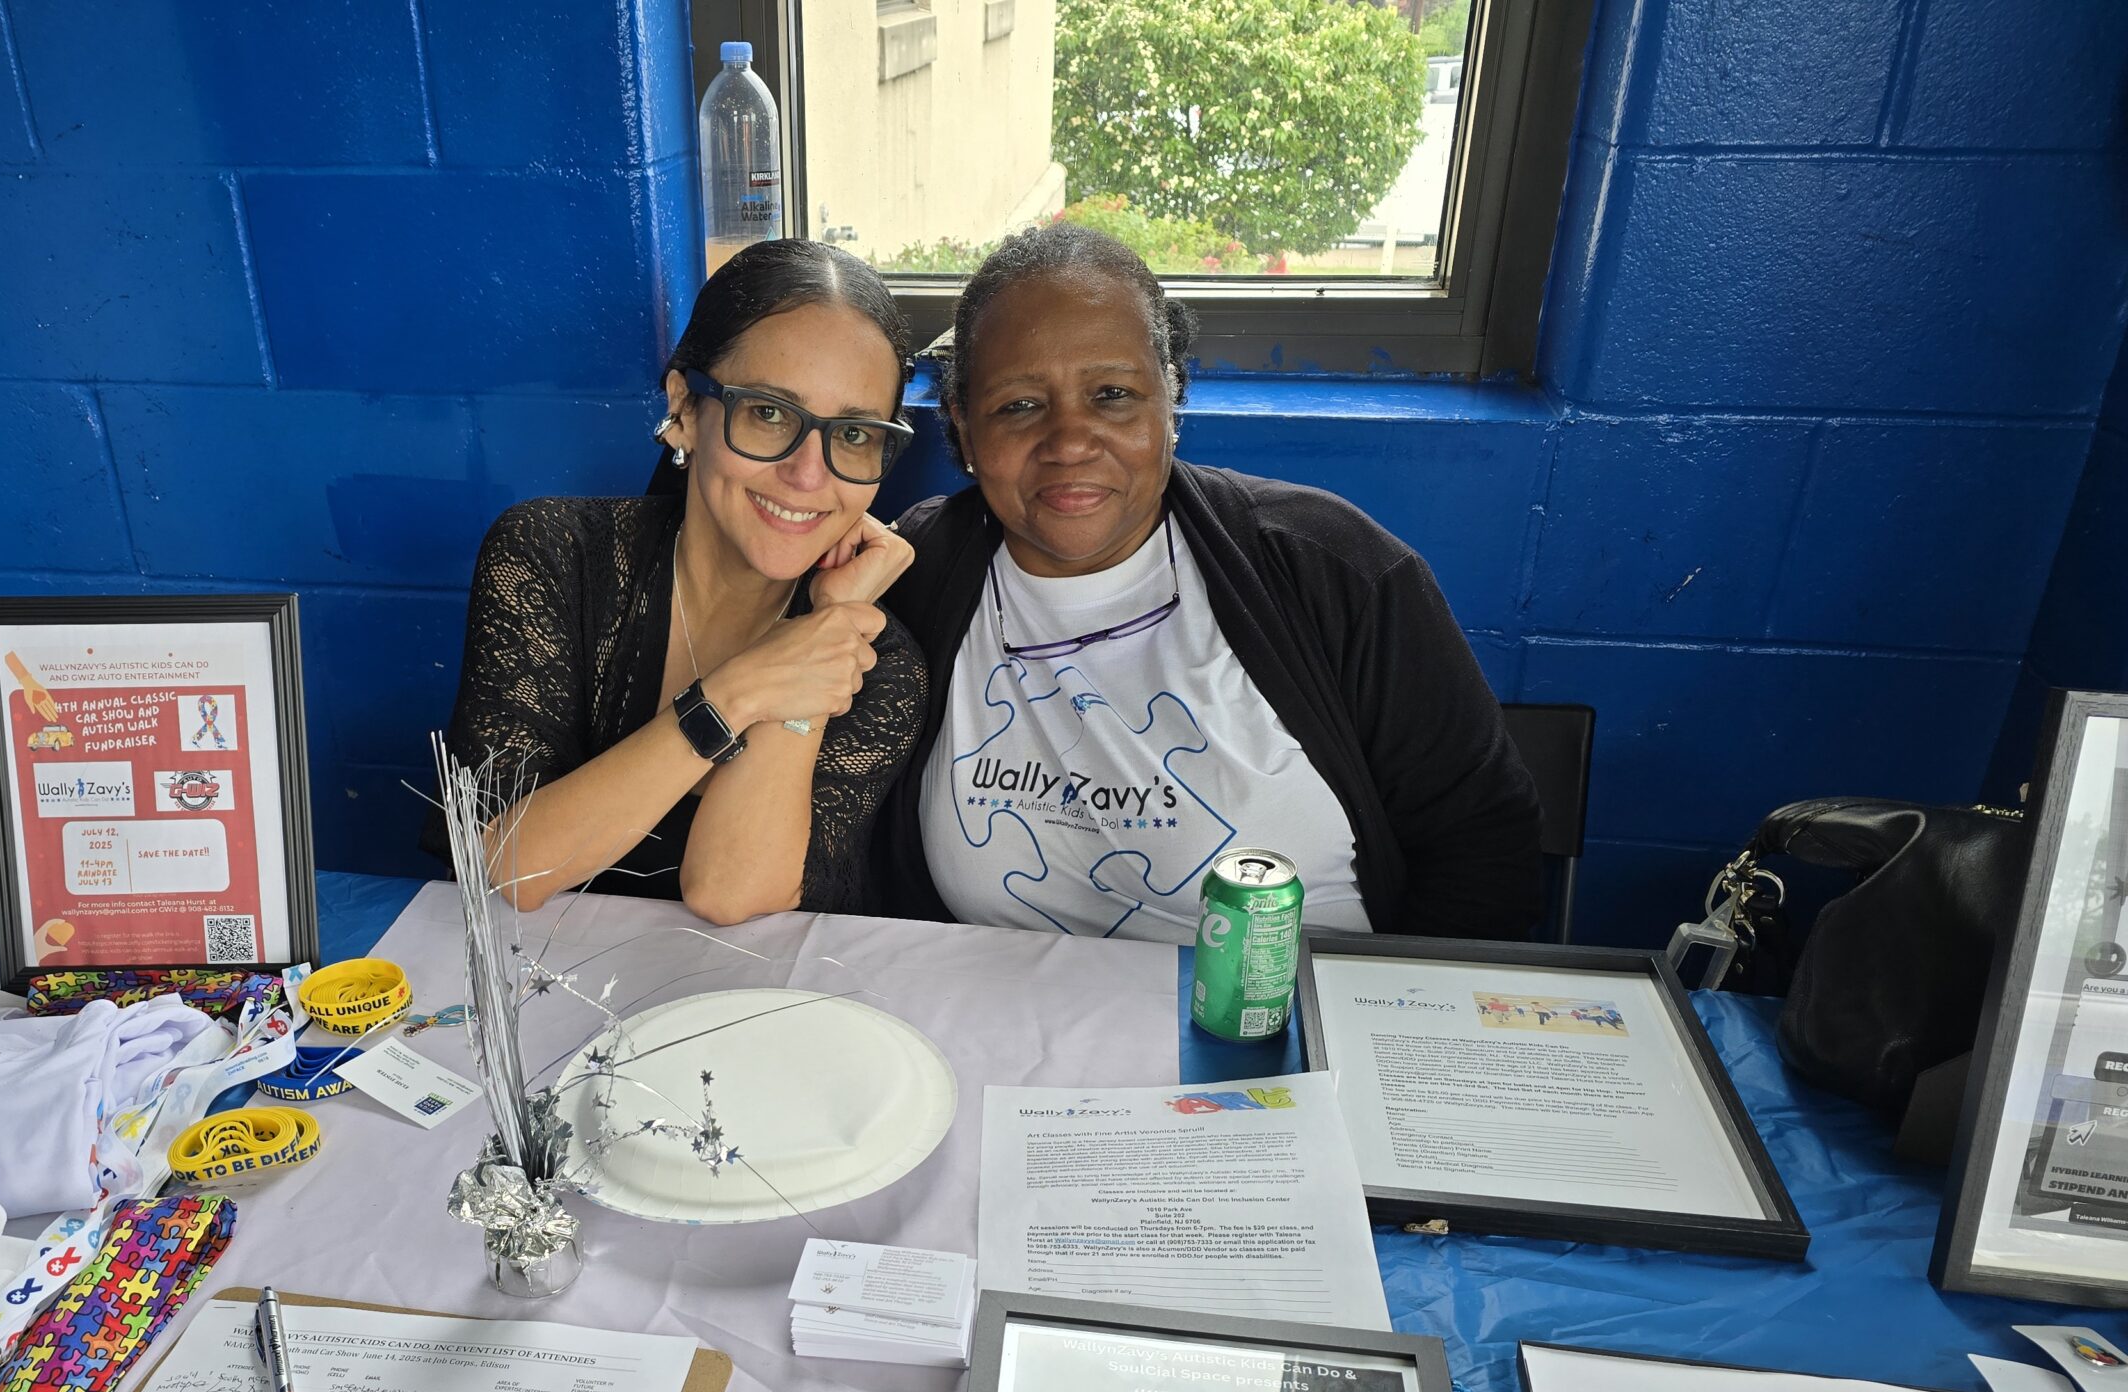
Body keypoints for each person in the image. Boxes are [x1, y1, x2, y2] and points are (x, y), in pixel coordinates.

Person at [875, 225, 1541, 939]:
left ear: (1170, 399)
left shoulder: (1331, 569)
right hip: (995, 1006)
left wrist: (1378, 1003)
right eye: (1019, 405)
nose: (1069, 442)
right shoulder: (911, 572)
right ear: (964, 425)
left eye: (1112, 394)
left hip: (1293, 1005)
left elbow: (1485, 853)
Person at [447, 239, 925, 923]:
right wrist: (738, 691)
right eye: (769, 413)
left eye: (852, 434)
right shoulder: (553, 557)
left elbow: (730, 892)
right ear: (686, 409)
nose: (808, 475)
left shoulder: (880, 664)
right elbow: (513, 867)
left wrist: (823, 632)